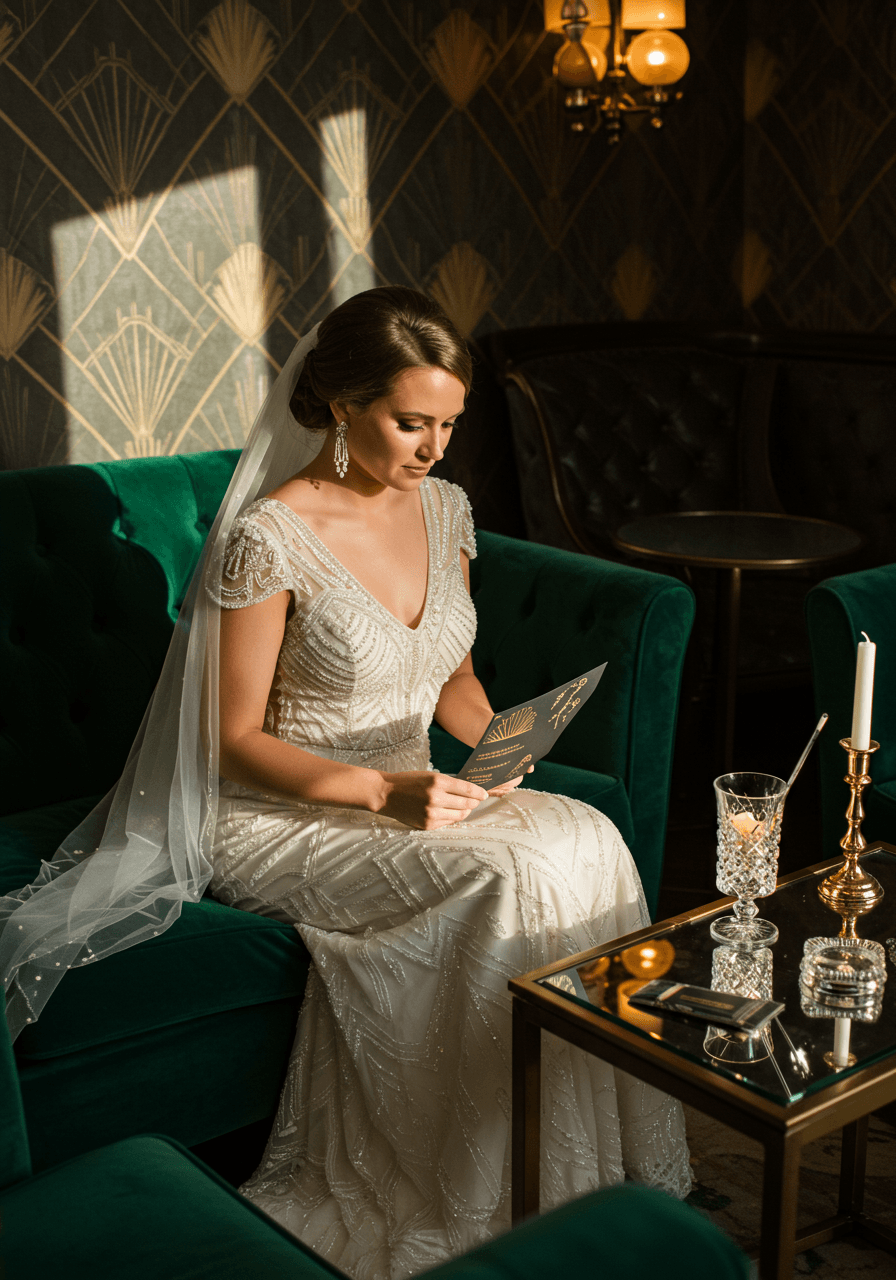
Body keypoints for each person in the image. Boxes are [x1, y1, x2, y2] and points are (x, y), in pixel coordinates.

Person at [0, 286, 689, 1280]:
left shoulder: (446, 508)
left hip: (412, 783)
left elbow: (450, 676)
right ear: (337, 402)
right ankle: (470, 1193)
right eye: (410, 421)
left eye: (448, 423)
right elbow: (233, 741)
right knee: (507, 878)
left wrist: (500, 737)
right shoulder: (269, 535)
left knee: (583, 833)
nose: (433, 447)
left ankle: (583, 1172)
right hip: (284, 811)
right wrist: (380, 793)